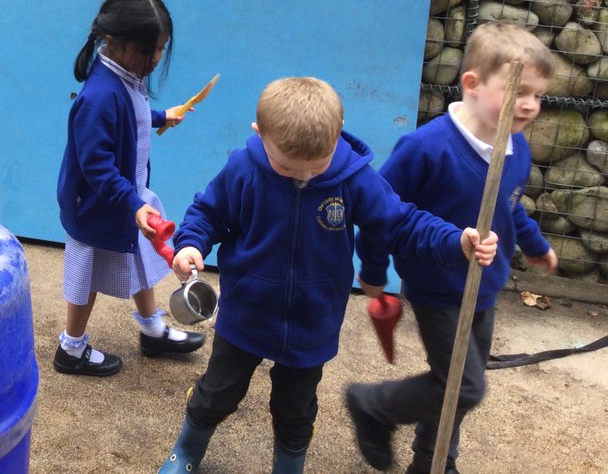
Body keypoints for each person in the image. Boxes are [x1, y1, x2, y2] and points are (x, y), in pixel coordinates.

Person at [157, 77, 498, 474]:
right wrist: (191, 244)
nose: (303, 176)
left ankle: (289, 466)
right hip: (247, 312)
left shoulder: (353, 179)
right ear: (259, 133)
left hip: (312, 321)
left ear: (336, 138)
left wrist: (456, 241)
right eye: (286, 167)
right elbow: (208, 212)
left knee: (296, 409)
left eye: (316, 166)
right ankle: (187, 448)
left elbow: (402, 222)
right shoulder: (243, 167)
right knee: (217, 393)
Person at [345, 22, 558, 473]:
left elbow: (510, 204)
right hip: (438, 286)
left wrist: (535, 243)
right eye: (519, 90)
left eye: (538, 95)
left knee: (454, 382)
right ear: (472, 84)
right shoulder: (426, 147)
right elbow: (382, 212)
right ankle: (373, 406)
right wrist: (375, 271)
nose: (529, 105)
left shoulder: (514, 147)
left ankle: (432, 461)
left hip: (485, 283)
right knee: (465, 386)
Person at [54, 0, 205, 377]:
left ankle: (152, 328)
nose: (155, 59)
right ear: (113, 42)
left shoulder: (124, 76)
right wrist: (134, 204)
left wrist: (160, 117)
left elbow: (134, 114)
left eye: (160, 49)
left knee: (141, 254)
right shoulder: (99, 96)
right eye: (147, 51)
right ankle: (70, 348)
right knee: (85, 276)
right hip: (98, 206)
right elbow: (97, 166)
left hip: (126, 199)